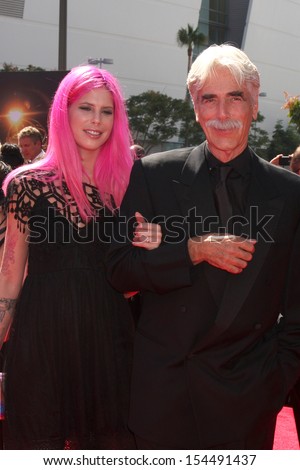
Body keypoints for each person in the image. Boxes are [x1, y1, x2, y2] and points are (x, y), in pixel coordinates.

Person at [106, 44, 300, 450]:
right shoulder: (154, 175)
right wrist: (192, 250)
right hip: (165, 397)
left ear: (253, 103)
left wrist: (275, 379)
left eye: (235, 98)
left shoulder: (290, 192)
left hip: (247, 401)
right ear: (195, 106)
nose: (222, 114)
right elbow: (120, 268)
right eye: (209, 99)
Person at [0, 64, 160, 450]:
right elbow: (8, 275)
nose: (96, 120)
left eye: (107, 111)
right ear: (63, 112)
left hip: (109, 340)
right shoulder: (27, 185)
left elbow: (134, 283)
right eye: (85, 108)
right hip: (41, 338)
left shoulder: (128, 185)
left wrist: (154, 246)